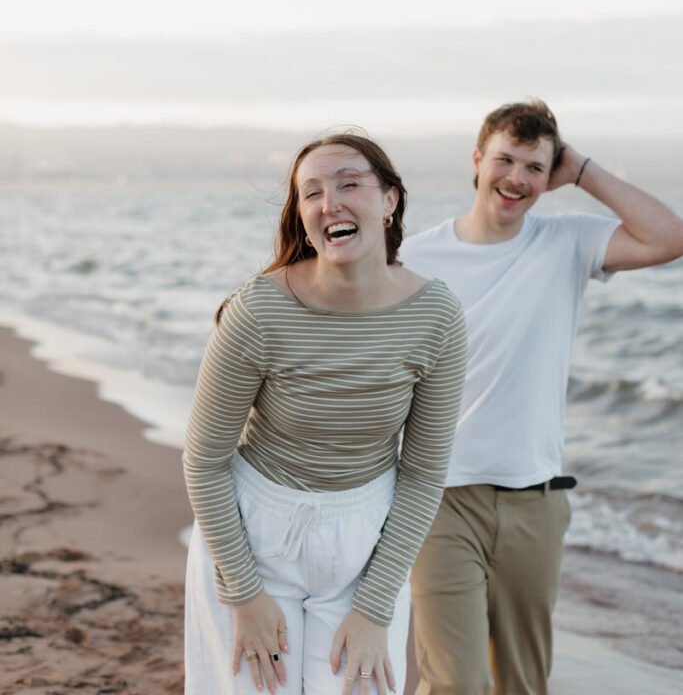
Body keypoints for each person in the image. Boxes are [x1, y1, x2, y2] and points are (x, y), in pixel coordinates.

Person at [400, 100, 683, 695]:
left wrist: (583, 169)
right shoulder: (416, 259)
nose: (517, 178)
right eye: (504, 160)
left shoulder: (568, 241)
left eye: (535, 167)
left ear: (551, 177)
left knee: (524, 684)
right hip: (440, 500)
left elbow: (670, 238)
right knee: (456, 683)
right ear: (477, 161)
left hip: (536, 500)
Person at [183, 132, 467, 695]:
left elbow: (423, 473)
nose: (329, 202)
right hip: (253, 534)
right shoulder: (259, 310)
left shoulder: (437, 316)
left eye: (349, 183)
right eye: (311, 193)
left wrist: (376, 606)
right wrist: (243, 593)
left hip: (365, 539)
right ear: (303, 218)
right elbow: (204, 461)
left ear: (389, 201)